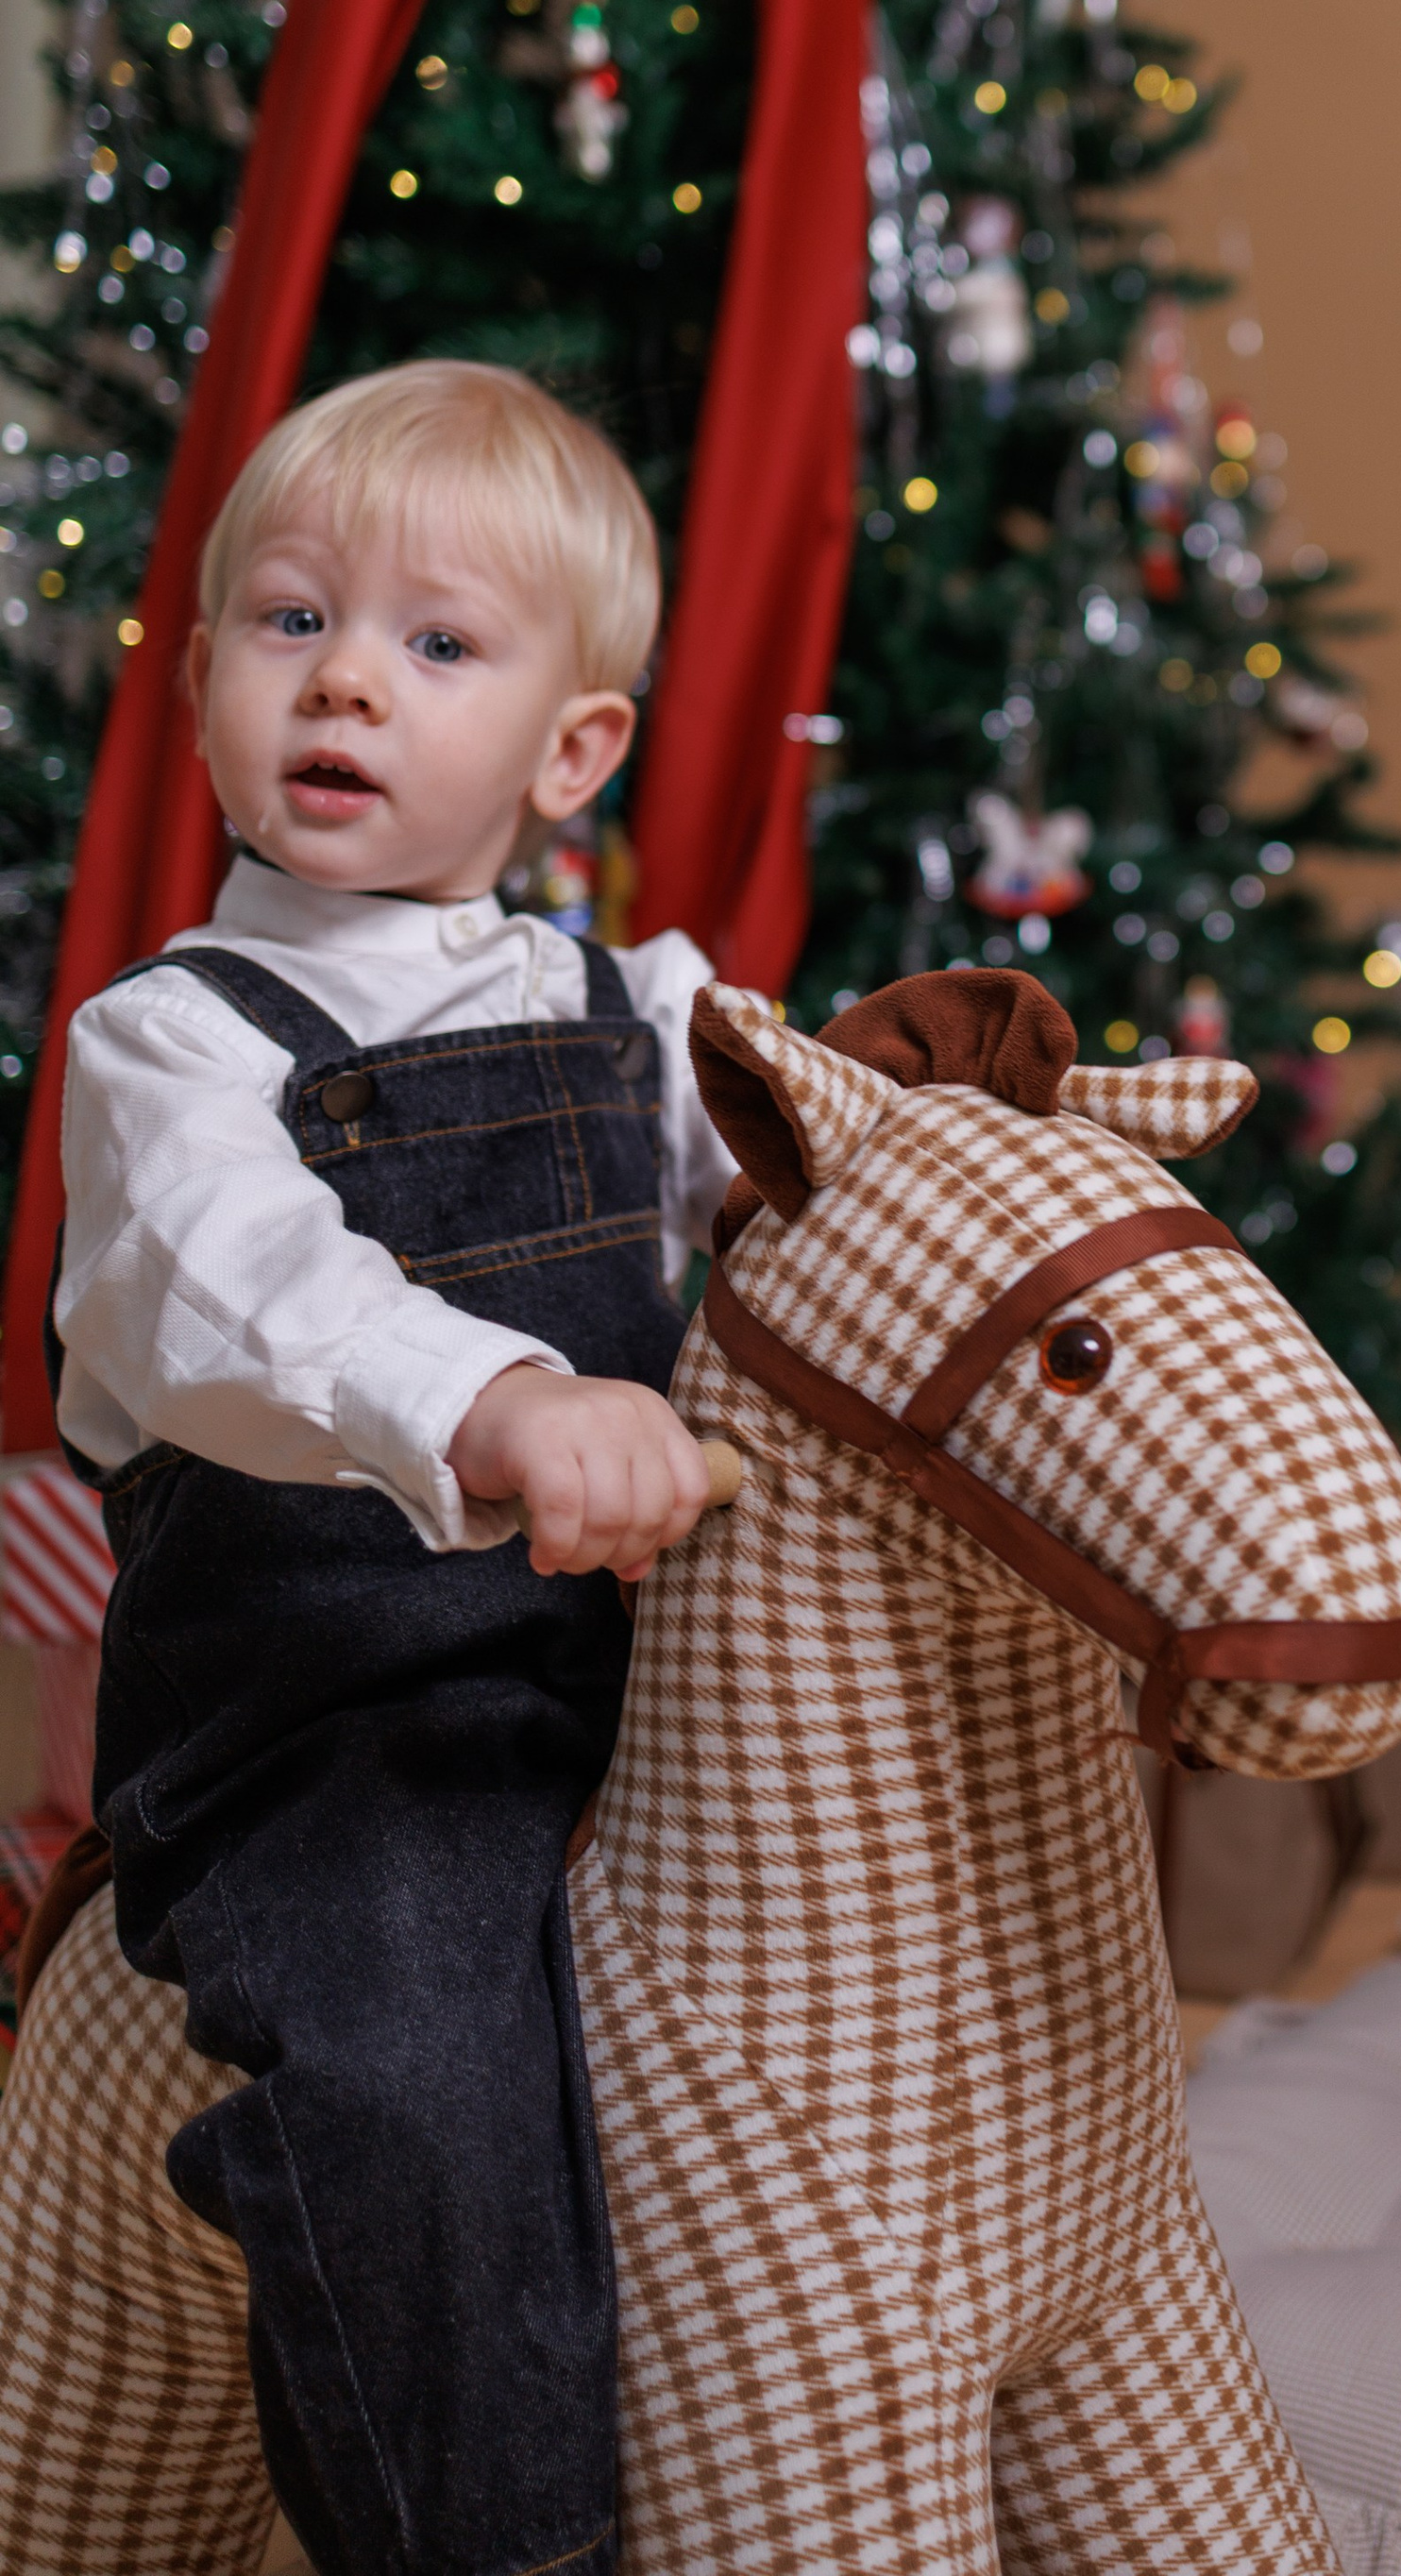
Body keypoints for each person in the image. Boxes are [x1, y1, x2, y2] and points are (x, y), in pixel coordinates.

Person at [50, 359, 735, 2576]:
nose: (345, 676)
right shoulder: (173, 1047)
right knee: (417, 2080)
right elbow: (244, 1298)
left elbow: (835, 1211)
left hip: (642, 1679)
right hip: (332, 1729)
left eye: (436, 644)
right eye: (289, 619)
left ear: (570, 751)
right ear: (206, 684)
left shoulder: (645, 1017)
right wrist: (509, 1404)